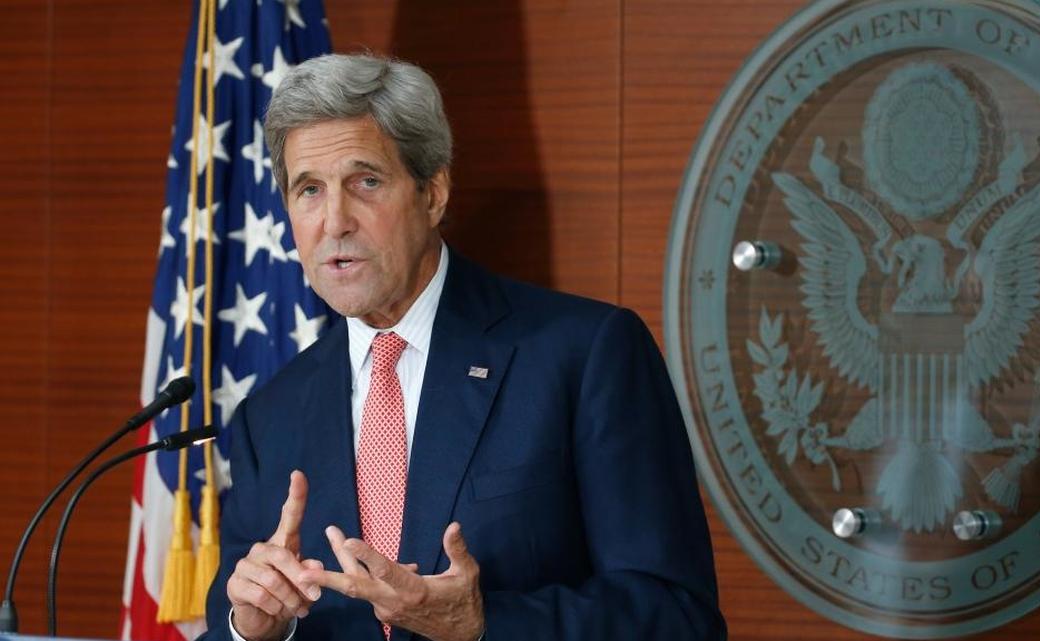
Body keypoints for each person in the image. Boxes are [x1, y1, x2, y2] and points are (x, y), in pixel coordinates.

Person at [201, 53, 725, 641]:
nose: (335, 221)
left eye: (365, 182)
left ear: (434, 193)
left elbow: (679, 617)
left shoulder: (584, 357)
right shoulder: (267, 418)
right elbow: (238, 619)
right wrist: (250, 629)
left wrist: (482, 624)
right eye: (309, 190)